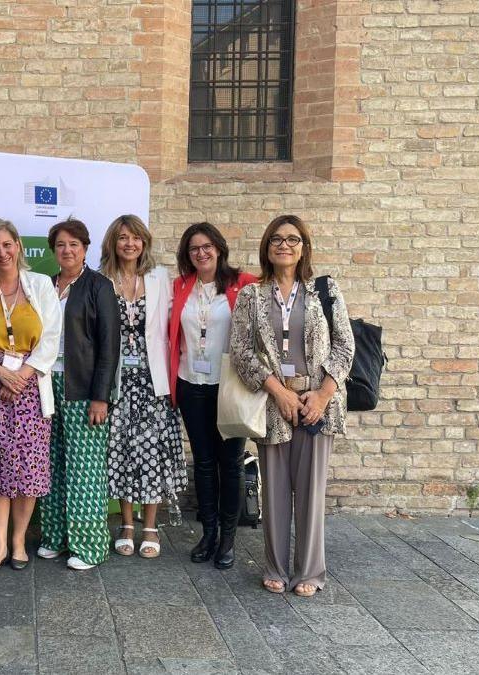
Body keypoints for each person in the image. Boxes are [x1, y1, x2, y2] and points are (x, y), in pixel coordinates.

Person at [230, 214, 355, 598]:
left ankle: (310, 572)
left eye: (293, 239)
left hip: (317, 402)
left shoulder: (324, 290)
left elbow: (344, 345)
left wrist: (322, 395)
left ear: (304, 247)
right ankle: (276, 568)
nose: (284, 245)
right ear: (267, 248)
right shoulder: (252, 295)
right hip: (274, 402)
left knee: (311, 490)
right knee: (276, 491)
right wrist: (278, 392)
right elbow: (241, 349)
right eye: (276, 240)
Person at [0, 219, 61, 576]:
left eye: (7, 245)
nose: (2, 253)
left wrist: (20, 376)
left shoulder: (40, 285)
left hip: (30, 389)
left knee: (28, 469)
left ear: (18, 245)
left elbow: (51, 336)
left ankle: (19, 541)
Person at [168, 222, 257, 570]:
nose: (201, 253)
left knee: (231, 463)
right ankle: (208, 533)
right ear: (187, 255)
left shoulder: (244, 284)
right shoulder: (181, 286)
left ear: (219, 248)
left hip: (229, 384)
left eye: (207, 246)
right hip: (191, 383)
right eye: (193, 249)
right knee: (204, 463)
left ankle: (229, 538)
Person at [100, 214, 186, 559]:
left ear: (144, 242)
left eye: (135, 238)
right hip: (118, 380)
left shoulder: (159, 277)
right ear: (113, 242)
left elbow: (172, 325)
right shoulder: (101, 279)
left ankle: (150, 524)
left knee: (151, 450)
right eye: (122, 238)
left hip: (153, 380)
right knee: (120, 449)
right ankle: (126, 523)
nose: (129, 244)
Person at [37, 218, 120, 571]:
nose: (67, 250)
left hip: (83, 388)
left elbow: (109, 344)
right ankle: (55, 537)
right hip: (44, 383)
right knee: (51, 464)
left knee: (84, 468)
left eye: (73, 244)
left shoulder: (98, 286)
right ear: (53, 250)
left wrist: (101, 396)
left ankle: (89, 546)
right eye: (60, 245)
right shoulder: (45, 285)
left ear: (85, 248)